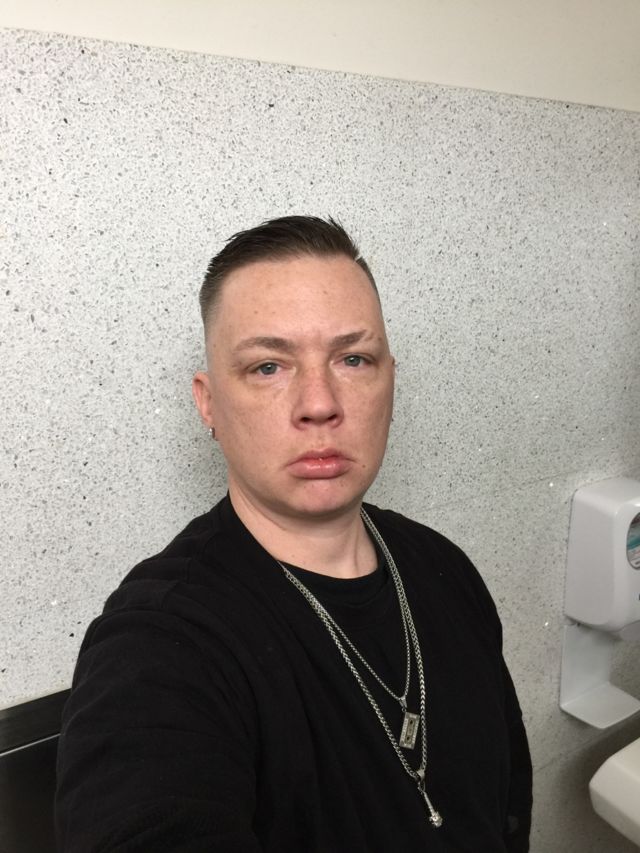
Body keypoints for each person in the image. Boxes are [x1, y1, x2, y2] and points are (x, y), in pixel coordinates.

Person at [56, 216, 532, 852]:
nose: (319, 403)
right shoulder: (159, 643)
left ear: (391, 380)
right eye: (268, 367)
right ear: (207, 402)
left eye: (353, 359)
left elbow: (507, 803)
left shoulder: (443, 567)